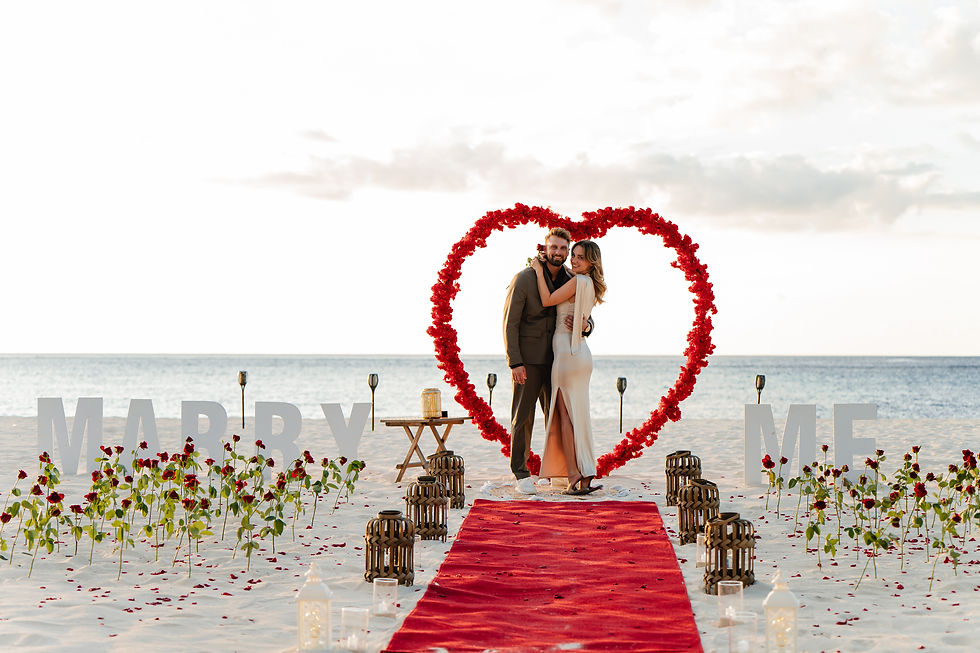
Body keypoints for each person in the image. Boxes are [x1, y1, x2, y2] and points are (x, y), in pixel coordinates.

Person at [502, 228, 591, 495]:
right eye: (554, 247)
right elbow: (510, 323)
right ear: (544, 248)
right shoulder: (525, 278)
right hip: (527, 361)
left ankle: (558, 472)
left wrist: (586, 326)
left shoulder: (569, 277)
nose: (559, 253)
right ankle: (521, 472)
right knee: (523, 416)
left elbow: (582, 309)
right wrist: (514, 361)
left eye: (564, 249)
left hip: (558, 361)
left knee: (555, 417)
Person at [529, 240, 605, 495]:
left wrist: (539, 271)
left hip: (566, 353)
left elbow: (548, 299)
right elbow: (584, 318)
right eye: (573, 255)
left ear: (591, 261)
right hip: (581, 353)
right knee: (580, 415)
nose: (573, 260)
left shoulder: (576, 282)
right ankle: (585, 471)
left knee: (564, 415)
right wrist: (585, 326)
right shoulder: (590, 284)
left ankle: (574, 473)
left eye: (579, 257)